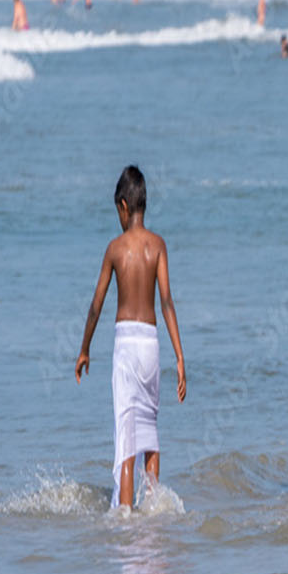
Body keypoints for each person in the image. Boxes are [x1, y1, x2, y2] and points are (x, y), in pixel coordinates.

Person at [75, 165, 187, 508]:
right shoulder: (158, 246)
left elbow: (96, 304)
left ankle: (125, 517)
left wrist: (84, 349)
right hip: (151, 344)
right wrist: (180, 357)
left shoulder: (115, 248)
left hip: (125, 344)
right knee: (150, 433)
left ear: (123, 206)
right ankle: (152, 510)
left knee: (127, 440)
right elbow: (167, 301)